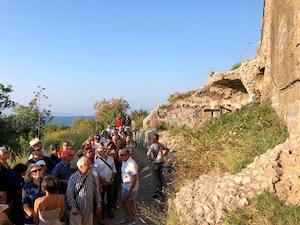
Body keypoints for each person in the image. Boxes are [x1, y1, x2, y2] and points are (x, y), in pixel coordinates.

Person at [66, 156, 101, 225]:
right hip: (77, 211)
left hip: (89, 209)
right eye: (87, 165)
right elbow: (69, 194)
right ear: (80, 166)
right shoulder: (73, 177)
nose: (89, 166)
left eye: (89, 164)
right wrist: (74, 208)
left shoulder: (91, 175)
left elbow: (96, 190)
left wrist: (98, 204)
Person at [94, 145, 116, 219]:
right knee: (102, 198)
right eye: (101, 151)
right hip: (102, 184)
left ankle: (110, 211)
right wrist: (103, 182)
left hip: (110, 182)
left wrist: (111, 180)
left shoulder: (111, 159)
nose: (104, 151)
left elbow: (114, 170)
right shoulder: (97, 161)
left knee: (110, 197)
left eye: (104, 150)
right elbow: (96, 175)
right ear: (98, 153)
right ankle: (102, 213)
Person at [119, 148, 139, 225]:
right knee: (123, 202)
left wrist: (130, 191)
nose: (120, 157)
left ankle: (133, 220)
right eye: (120, 155)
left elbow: (134, 179)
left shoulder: (132, 164)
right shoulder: (124, 161)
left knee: (131, 204)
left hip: (132, 188)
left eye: (122, 155)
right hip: (125, 185)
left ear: (128, 154)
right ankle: (127, 217)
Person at [147, 133, 169, 198]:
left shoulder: (152, 146)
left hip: (155, 163)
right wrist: (164, 155)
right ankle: (160, 192)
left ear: (153, 139)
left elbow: (148, 154)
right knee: (160, 178)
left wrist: (150, 159)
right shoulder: (160, 144)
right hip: (161, 162)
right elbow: (167, 149)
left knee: (156, 178)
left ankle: (158, 193)